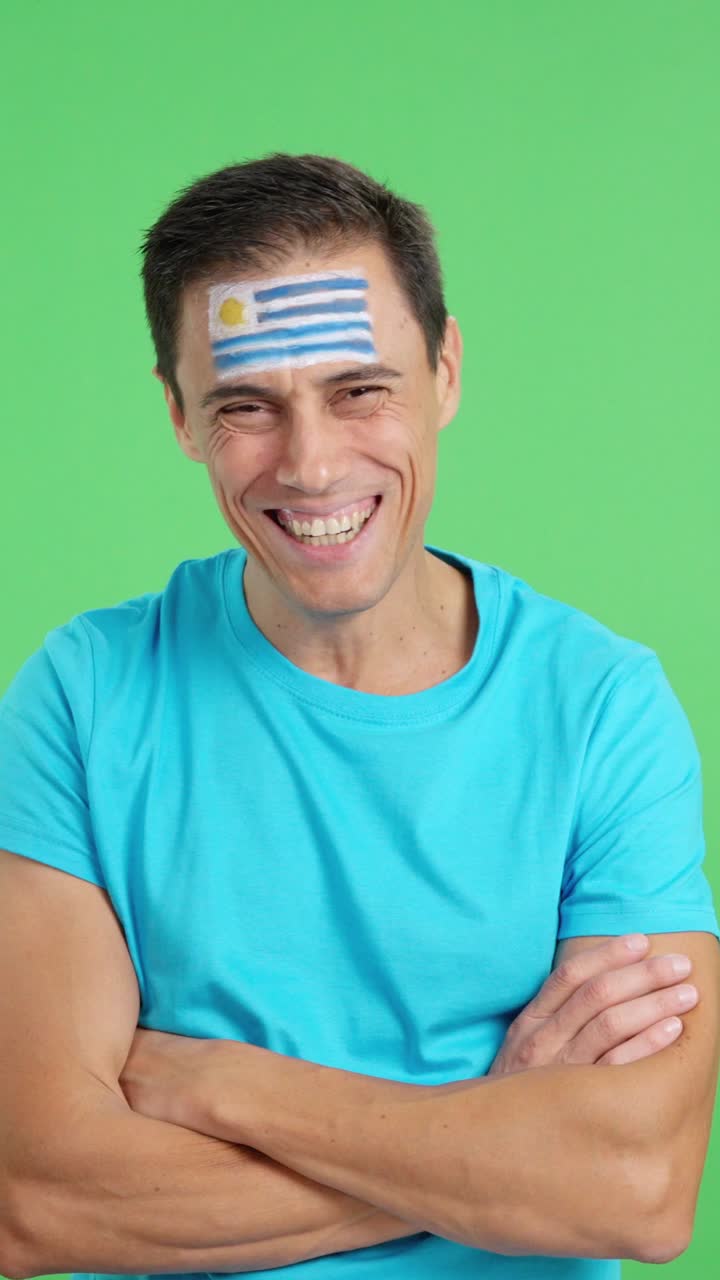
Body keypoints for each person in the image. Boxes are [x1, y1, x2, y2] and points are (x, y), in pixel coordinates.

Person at [1, 153, 718, 1280]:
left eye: (360, 390)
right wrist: (493, 1139)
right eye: (246, 406)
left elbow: (636, 1189)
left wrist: (220, 1083)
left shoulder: (601, 707)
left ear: (445, 371)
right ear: (180, 414)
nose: (312, 464)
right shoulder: (84, 694)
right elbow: (37, 1201)